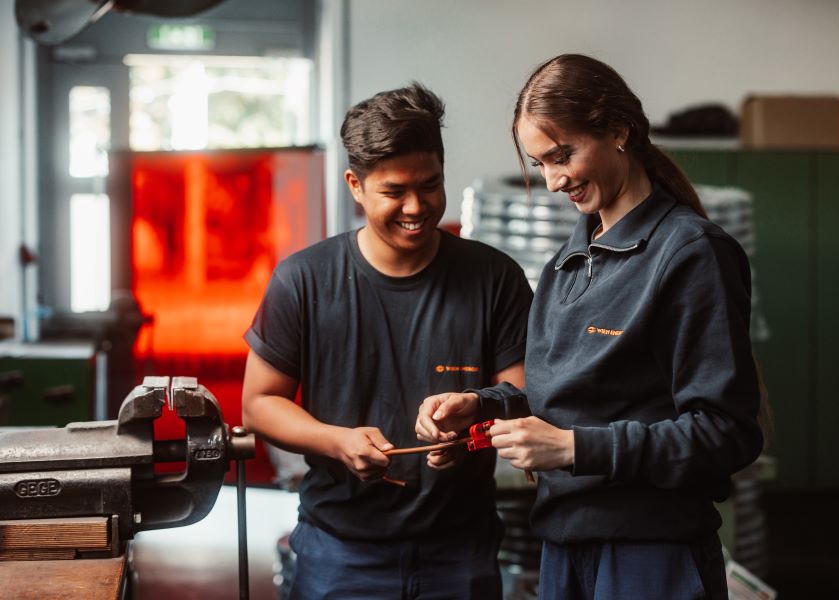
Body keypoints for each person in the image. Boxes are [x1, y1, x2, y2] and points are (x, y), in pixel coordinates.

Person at [416, 54, 764, 600]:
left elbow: (725, 434)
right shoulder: (567, 264)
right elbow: (569, 399)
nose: (553, 181)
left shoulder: (690, 254)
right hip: (565, 546)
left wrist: (575, 449)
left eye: (562, 156)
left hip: (650, 552)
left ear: (619, 131)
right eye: (540, 164)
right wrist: (484, 406)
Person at [241, 82, 533, 600]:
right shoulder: (304, 280)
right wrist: (337, 441)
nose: (416, 207)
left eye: (430, 185)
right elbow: (259, 404)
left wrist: (472, 425)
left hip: (459, 551)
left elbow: (524, 395)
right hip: (340, 553)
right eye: (394, 192)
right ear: (356, 185)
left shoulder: (495, 278)